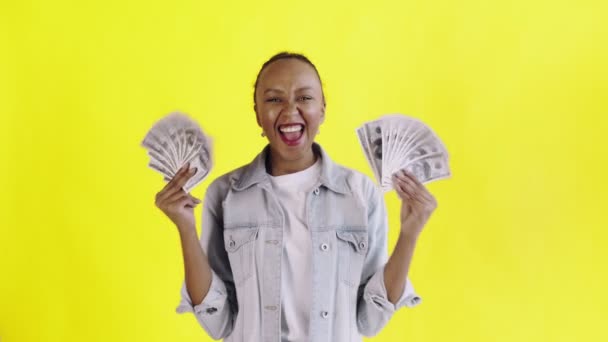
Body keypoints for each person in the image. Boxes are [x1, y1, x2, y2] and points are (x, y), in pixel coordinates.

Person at [155, 52, 438, 342]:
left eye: (304, 98)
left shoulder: (361, 193)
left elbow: (370, 319)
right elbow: (219, 321)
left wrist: (410, 233)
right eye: (274, 99)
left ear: (323, 109)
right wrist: (185, 228)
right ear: (257, 114)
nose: (290, 112)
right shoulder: (226, 194)